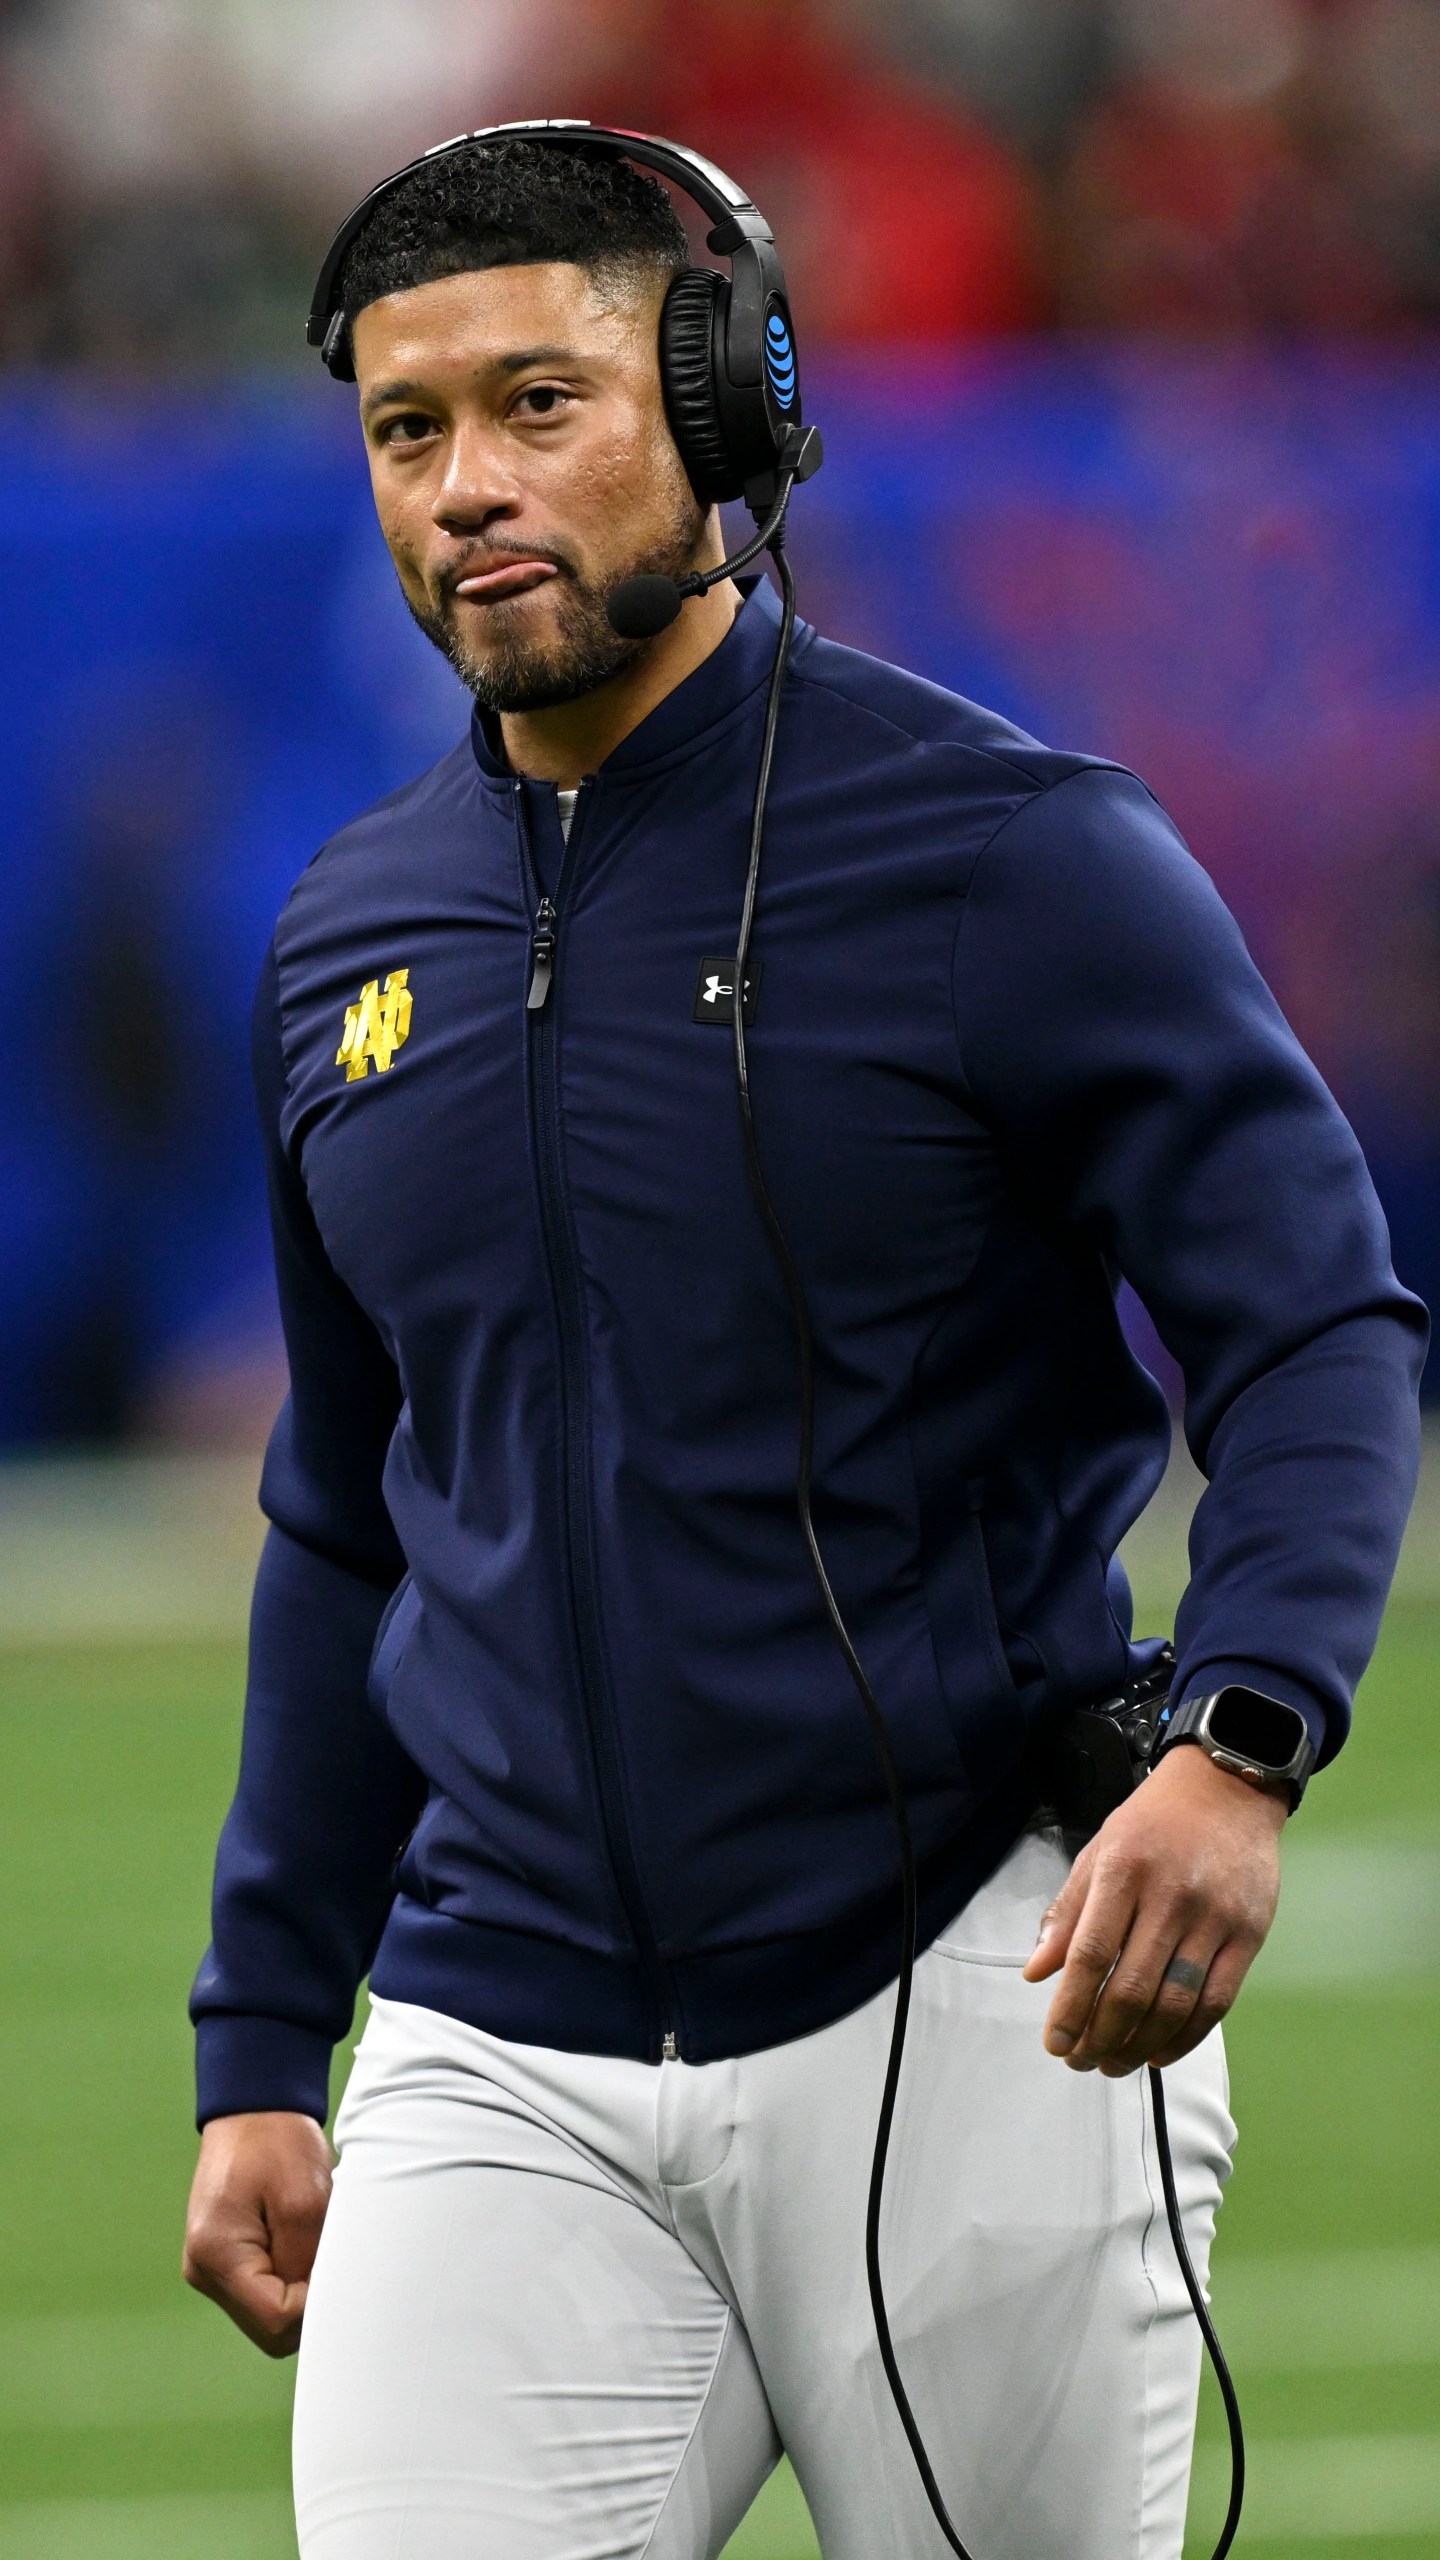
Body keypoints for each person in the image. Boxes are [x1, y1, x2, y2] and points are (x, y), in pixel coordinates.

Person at [182, 135, 1425, 2560]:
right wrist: (260, 2038)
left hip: (981, 1985)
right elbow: (345, 1518)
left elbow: (1313, 1321)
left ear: (726, 407)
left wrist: (1246, 1733)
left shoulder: (1015, 854)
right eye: (408, 432)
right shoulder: (346, 944)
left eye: (537, 402)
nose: (466, 489)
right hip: (496, 2020)